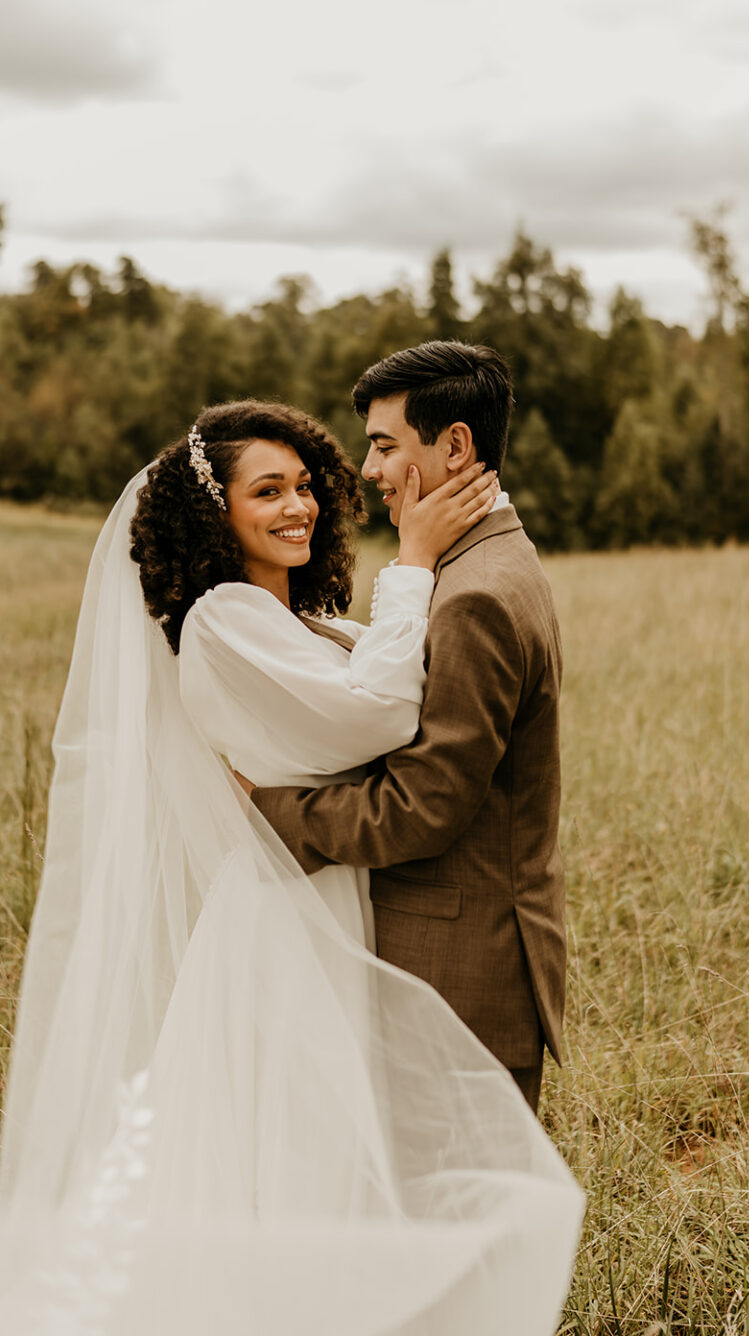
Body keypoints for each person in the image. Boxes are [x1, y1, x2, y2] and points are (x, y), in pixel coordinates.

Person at [0, 398, 583, 1336]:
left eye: (304, 487)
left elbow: (370, 687)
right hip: (285, 927)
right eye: (267, 492)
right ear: (215, 513)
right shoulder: (221, 622)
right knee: (284, 1172)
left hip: (323, 907)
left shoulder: (285, 613)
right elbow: (381, 713)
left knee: (313, 1173)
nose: (299, 508)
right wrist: (412, 562)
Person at [249, 344, 566, 1115]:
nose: (368, 468)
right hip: (455, 960)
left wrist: (272, 809)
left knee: (454, 1229)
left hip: (459, 969)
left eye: (386, 445)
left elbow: (425, 806)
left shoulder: (474, 597)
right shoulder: (479, 562)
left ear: (455, 446)